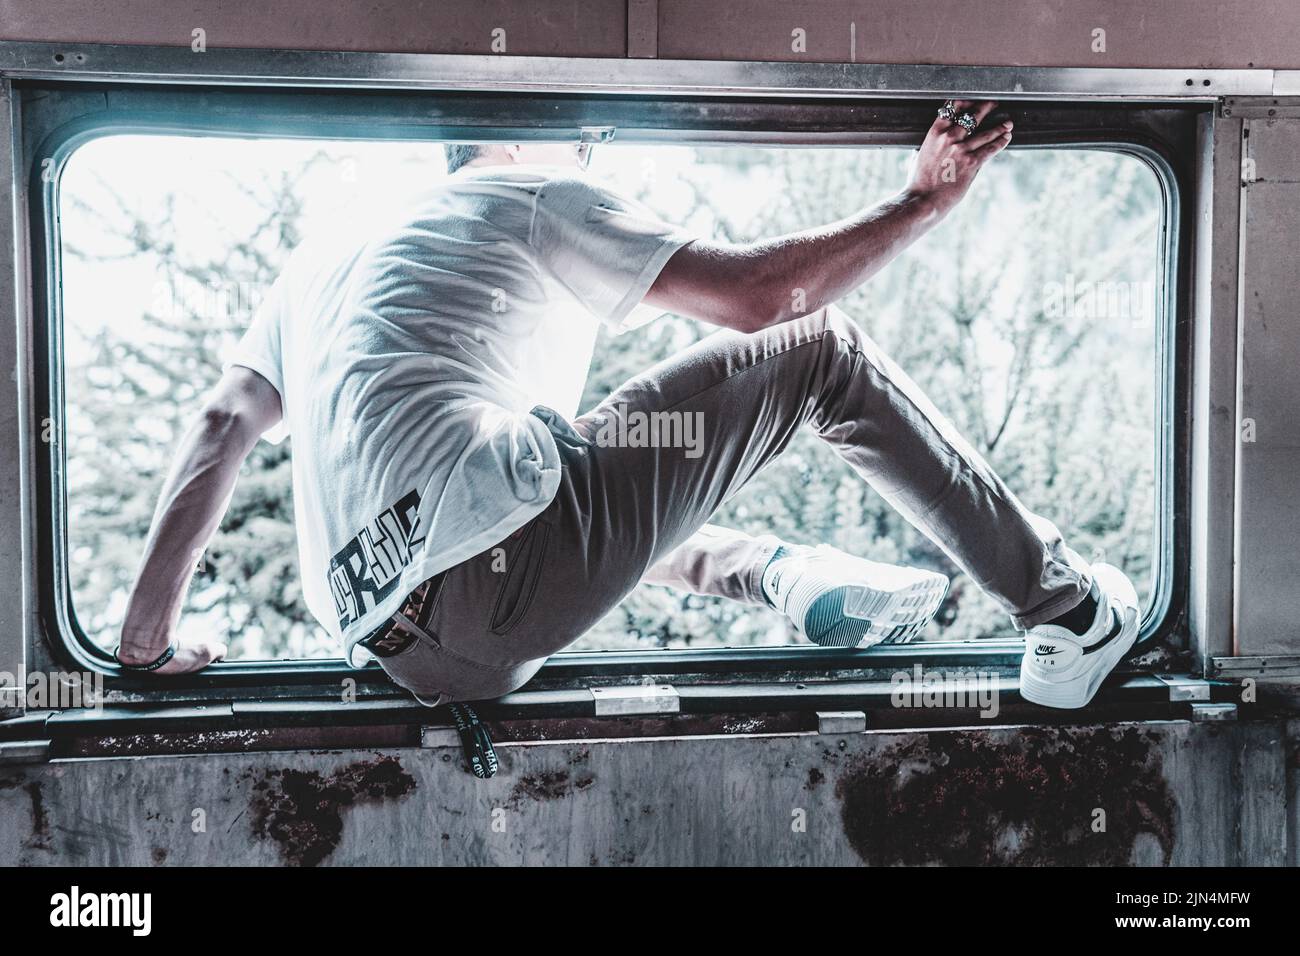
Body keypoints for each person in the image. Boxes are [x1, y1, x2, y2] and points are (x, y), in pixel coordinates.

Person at [116, 99, 1139, 710]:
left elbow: (221, 426)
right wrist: (921, 200)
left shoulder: (318, 266)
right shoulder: (533, 190)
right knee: (817, 352)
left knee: (573, 459)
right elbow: (756, 300)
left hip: (397, 645)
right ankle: (1067, 608)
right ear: (561, 134)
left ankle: (774, 574)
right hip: (500, 576)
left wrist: (145, 645)